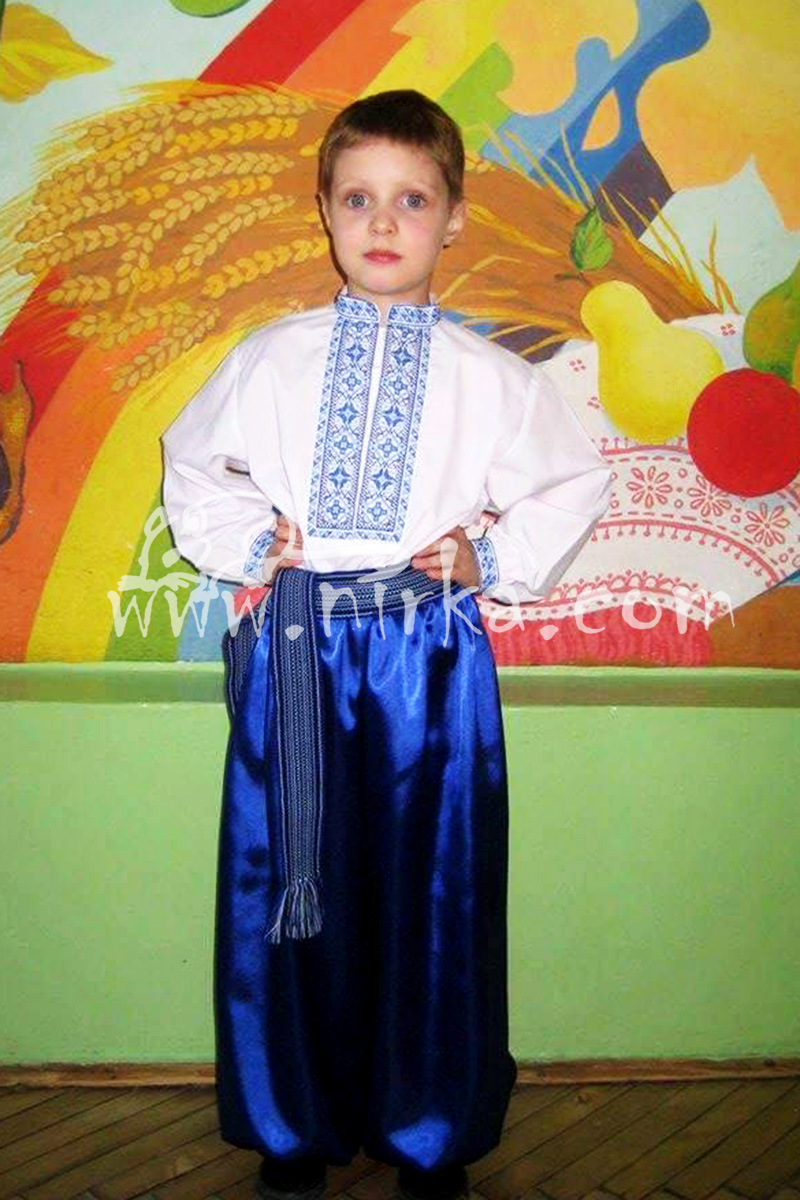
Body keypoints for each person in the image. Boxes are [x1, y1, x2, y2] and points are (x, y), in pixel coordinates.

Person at [160, 90, 612, 1200]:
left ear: (452, 218)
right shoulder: (272, 359)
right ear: (323, 210)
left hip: (428, 656)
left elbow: (571, 481)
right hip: (300, 647)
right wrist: (251, 541)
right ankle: (293, 1124)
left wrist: (487, 559)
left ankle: (428, 1126)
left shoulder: (492, 378)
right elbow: (192, 461)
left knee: (433, 887)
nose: (382, 222)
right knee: (290, 880)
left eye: (411, 200)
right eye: (357, 198)